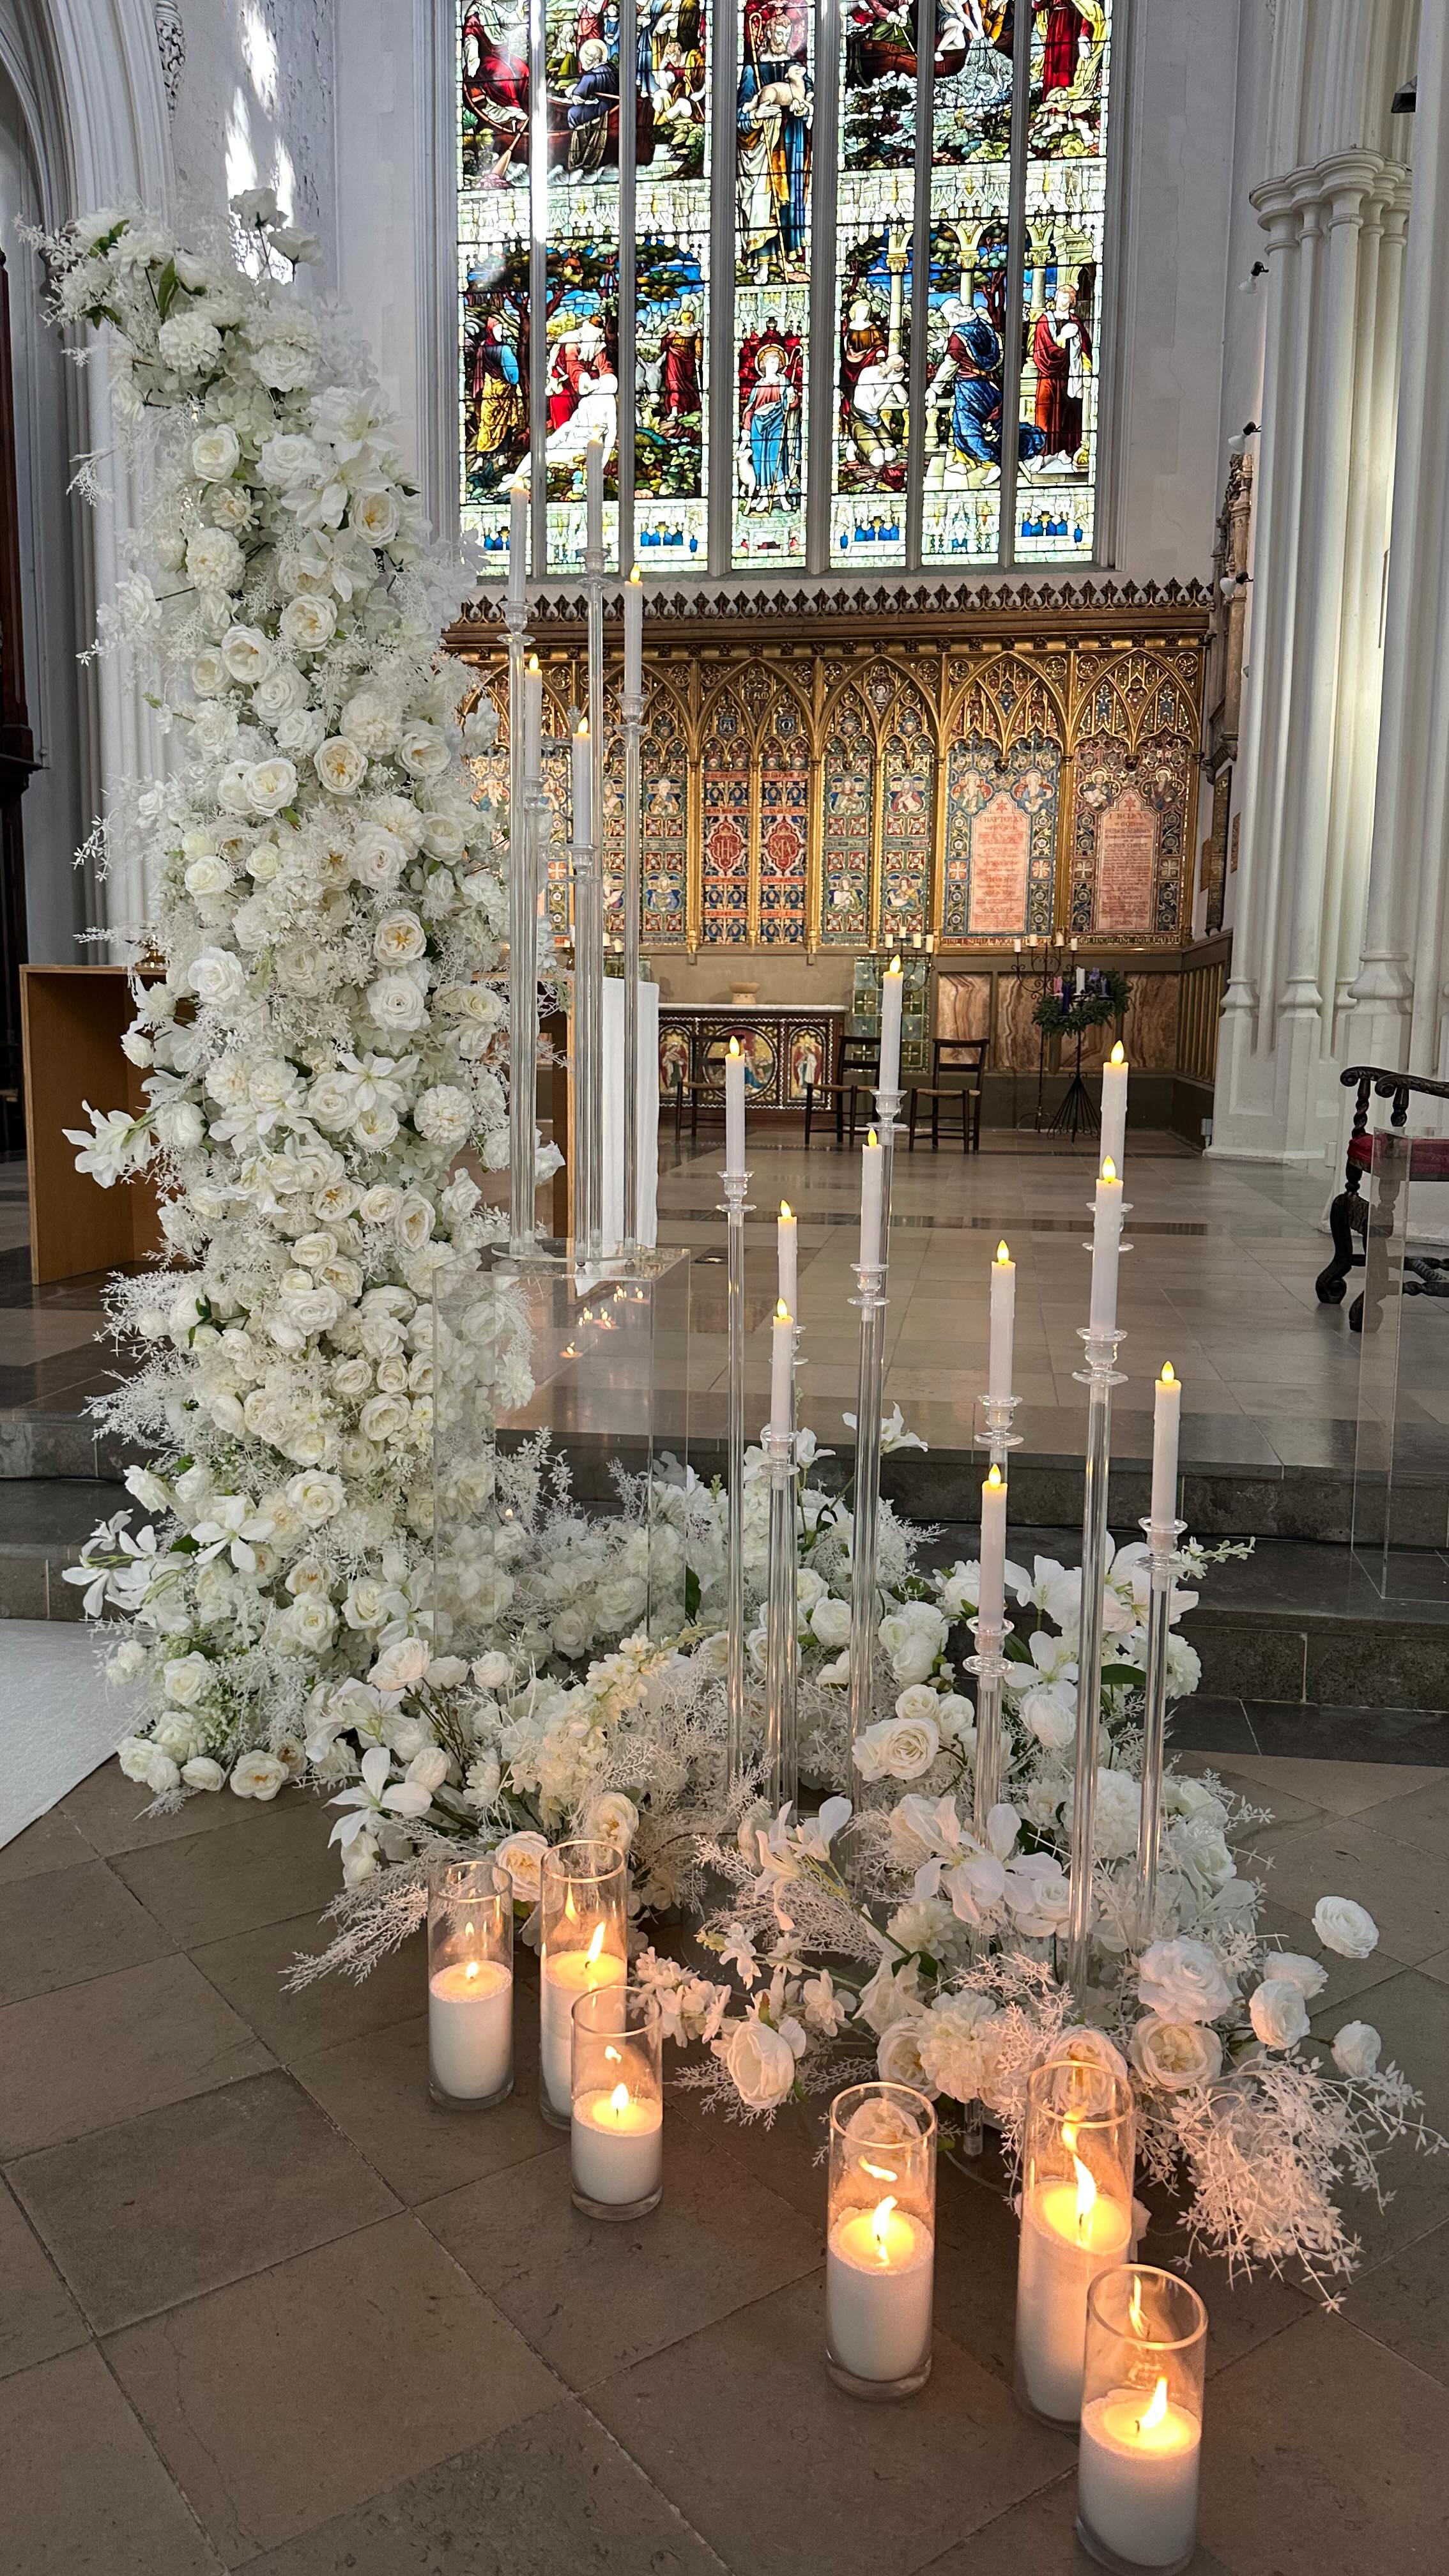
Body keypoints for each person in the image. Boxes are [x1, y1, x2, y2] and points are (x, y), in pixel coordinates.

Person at [737, 10, 813, 281]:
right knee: (763, 200)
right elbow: (740, 115)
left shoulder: (794, 65)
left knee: (790, 199)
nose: (782, 38)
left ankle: (787, 259)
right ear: (768, 33)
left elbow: (812, 97)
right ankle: (762, 262)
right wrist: (756, 116)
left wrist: (805, 106)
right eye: (778, 33)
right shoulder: (753, 70)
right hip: (763, 145)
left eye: (787, 34)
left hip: (793, 142)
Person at [1032, 289, 1091, 463]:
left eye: (1067, 299)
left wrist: (1087, 366)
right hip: (1049, 376)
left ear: (1072, 302)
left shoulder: (1076, 322)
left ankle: (1063, 451)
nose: (1063, 301)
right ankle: (1041, 455)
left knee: (1068, 414)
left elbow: (1086, 347)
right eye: (1061, 297)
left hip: (1071, 375)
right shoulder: (1044, 320)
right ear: (1056, 299)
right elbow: (1042, 351)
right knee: (1045, 414)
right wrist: (1061, 338)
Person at [739, 346, 800, 510]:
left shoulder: (784, 382)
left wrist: (792, 398)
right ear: (764, 365)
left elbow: (791, 406)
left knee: (776, 461)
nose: (774, 364)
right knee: (760, 463)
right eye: (770, 362)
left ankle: (782, 498)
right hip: (758, 429)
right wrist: (746, 428)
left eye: (776, 362)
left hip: (777, 424)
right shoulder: (758, 385)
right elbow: (750, 409)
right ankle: (764, 498)